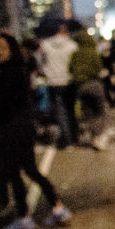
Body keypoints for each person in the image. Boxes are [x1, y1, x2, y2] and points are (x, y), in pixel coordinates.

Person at [0, 33, 71, 229]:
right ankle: (55, 208)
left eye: (3, 48)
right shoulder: (16, 70)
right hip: (21, 127)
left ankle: (27, 215)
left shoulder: (9, 72)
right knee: (28, 170)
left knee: (18, 172)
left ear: (12, 50)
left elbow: (4, 103)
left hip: (13, 128)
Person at [36, 21, 79, 149]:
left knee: (59, 111)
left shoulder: (46, 44)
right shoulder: (73, 46)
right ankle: (71, 136)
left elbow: (39, 61)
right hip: (68, 81)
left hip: (52, 81)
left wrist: (45, 71)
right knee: (70, 110)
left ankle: (66, 137)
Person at [69, 31, 108, 150]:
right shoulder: (93, 53)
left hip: (81, 86)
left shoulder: (75, 54)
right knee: (99, 112)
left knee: (88, 112)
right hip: (94, 85)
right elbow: (99, 68)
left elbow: (70, 69)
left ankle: (90, 134)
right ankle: (97, 136)